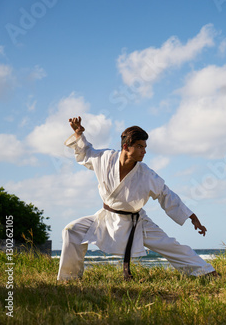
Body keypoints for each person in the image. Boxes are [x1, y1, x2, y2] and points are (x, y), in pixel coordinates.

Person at [57, 116, 217, 281]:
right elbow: (86, 153)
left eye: (145, 147)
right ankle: (70, 278)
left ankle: (206, 272)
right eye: (140, 146)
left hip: (136, 222)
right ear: (126, 146)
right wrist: (78, 134)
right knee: (72, 230)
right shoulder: (105, 158)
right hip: (106, 218)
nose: (144, 151)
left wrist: (193, 218)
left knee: (171, 245)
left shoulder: (146, 173)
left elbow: (167, 195)